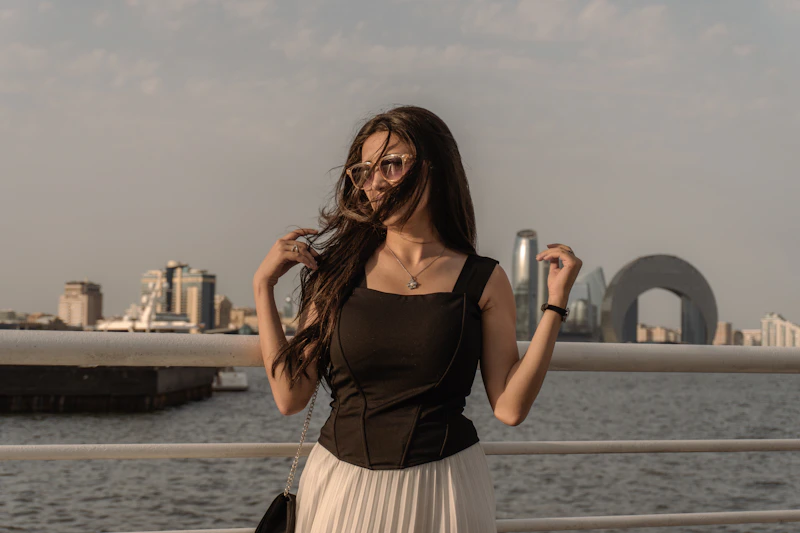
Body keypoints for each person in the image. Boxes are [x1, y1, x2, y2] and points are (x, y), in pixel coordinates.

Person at [252, 105, 582, 532]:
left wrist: (555, 305)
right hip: (342, 488)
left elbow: (510, 408)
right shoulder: (336, 272)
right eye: (364, 171)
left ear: (433, 170)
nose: (374, 183)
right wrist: (262, 286)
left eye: (391, 165)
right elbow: (290, 396)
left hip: (445, 492)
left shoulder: (483, 279)